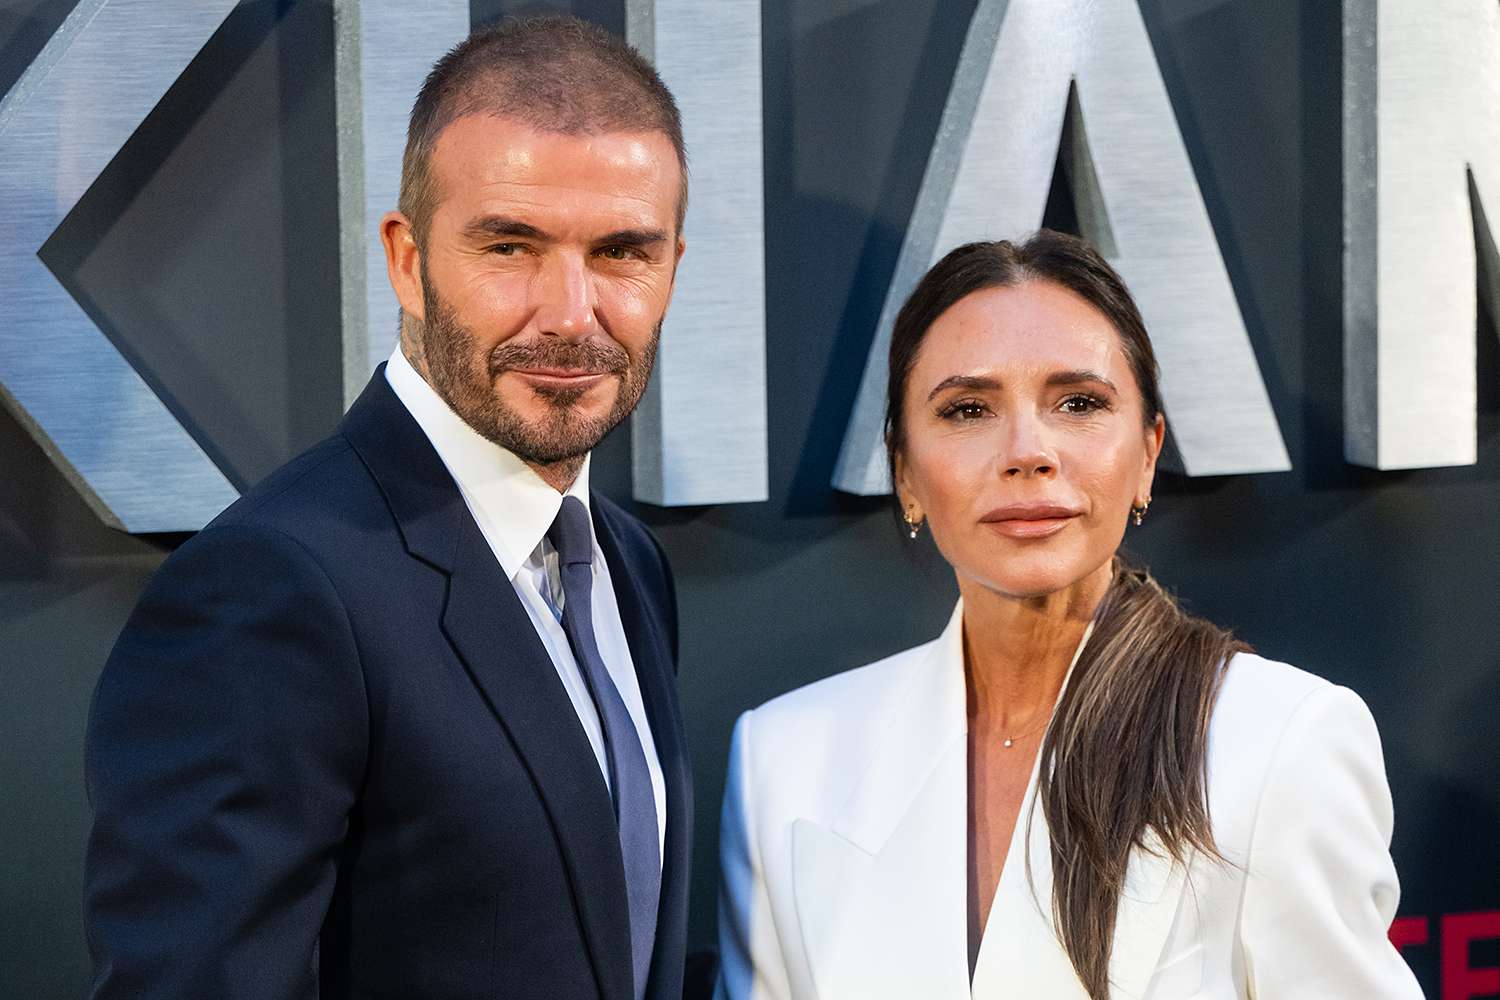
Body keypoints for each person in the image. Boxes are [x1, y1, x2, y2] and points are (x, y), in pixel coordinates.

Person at [84, 16, 692, 1000]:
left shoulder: (626, 561)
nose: (572, 313)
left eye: (624, 252)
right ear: (407, 262)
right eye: (510, 245)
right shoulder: (272, 588)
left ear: (672, 267)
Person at [714, 232, 1423, 999]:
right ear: (905, 472)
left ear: (1149, 453)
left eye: (1079, 403)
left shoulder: (1280, 742)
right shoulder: (782, 762)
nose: (1028, 451)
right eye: (969, 409)